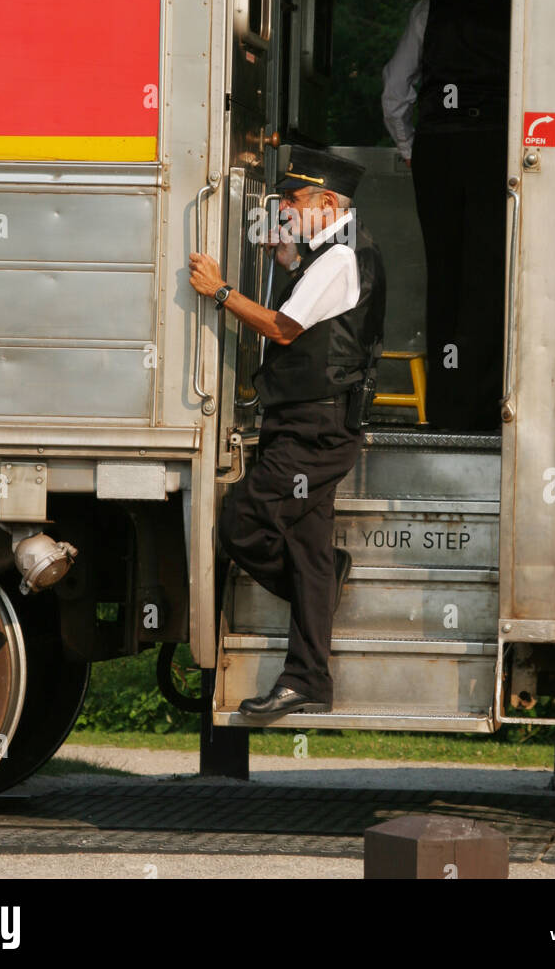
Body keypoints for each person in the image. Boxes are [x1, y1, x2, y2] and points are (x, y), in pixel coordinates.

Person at [188, 144, 386, 719]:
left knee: (241, 523)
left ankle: (323, 594)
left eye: (295, 201)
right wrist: (287, 265)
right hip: (310, 422)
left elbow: (282, 328)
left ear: (327, 202)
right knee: (307, 553)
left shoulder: (341, 257)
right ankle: (307, 680)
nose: (286, 211)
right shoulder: (335, 252)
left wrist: (219, 292)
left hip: (314, 430)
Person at [381, 0, 511, 431]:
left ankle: (446, 410)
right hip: (494, 153)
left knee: (445, 274)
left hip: (438, 150)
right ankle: (483, 409)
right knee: (488, 277)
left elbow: (395, 90)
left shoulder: (429, 10)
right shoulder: (518, 14)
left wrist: (412, 147)